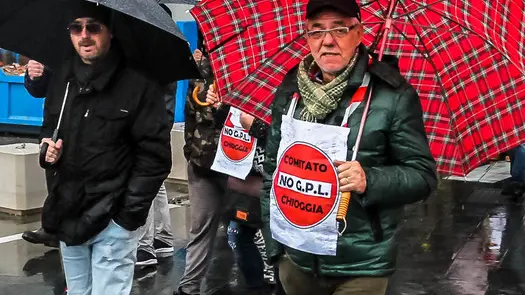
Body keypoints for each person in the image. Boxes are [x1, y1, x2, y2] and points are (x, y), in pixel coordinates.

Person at [260, 1, 437, 295]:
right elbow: (272, 173)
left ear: (359, 33)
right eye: (317, 32)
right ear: (306, 37)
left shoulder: (392, 96)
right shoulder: (291, 89)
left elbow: (423, 176)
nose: (328, 41)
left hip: (360, 267)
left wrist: (370, 179)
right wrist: (275, 250)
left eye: (340, 29)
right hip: (296, 262)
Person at [39, 2, 171, 294]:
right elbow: (48, 127)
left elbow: (155, 158)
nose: (84, 35)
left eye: (93, 27)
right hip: (69, 213)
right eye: (76, 27)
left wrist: (126, 218)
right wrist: (46, 150)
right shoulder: (63, 78)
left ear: (110, 32)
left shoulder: (139, 85)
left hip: (112, 221)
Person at [174, 46, 231, 295]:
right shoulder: (198, 72)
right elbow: (190, 114)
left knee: (249, 229)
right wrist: (191, 151)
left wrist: (224, 107)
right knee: (200, 227)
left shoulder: (247, 72)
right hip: (203, 162)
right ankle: (189, 287)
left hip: (237, 167)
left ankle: (267, 278)